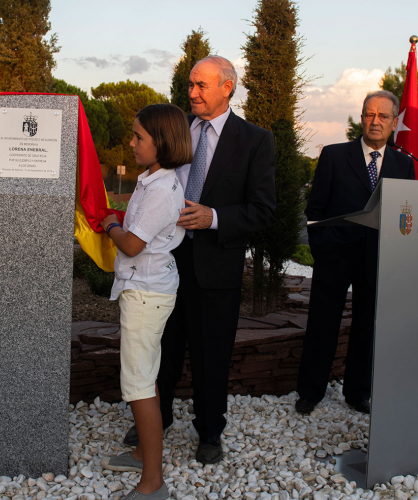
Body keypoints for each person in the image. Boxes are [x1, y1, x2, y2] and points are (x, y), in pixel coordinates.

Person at [124, 55, 277, 465]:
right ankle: (158, 419)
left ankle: (210, 430)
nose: (191, 92)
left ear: (227, 87)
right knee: (162, 347)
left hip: (216, 267)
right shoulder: (177, 132)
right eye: (190, 84)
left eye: (201, 86)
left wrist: (214, 217)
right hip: (165, 262)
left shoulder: (255, 140)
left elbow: (264, 209)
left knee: (212, 353)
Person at [295, 90, 414, 415]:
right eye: (369, 114)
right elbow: (315, 209)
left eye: (383, 116)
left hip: (379, 260)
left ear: (393, 123)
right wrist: (321, 248)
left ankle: (357, 391)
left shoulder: (404, 164)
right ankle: (310, 390)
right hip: (335, 255)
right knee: (323, 323)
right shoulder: (334, 155)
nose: (375, 122)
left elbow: (407, 214)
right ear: (361, 118)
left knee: (367, 325)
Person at [99, 104, 191, 500]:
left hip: (147, 293)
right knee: (144, 376)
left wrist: (111, 225)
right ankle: (141, 453)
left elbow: (134, 245)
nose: (131, 142)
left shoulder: (161, 190)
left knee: (139, 384)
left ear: (163, 143)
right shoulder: (151, 180)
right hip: (145, 288)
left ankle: (153, 482)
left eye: (139, 137)